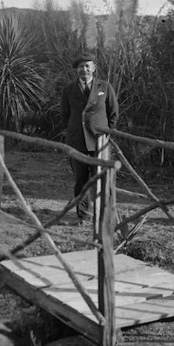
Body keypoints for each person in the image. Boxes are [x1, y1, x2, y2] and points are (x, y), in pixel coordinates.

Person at [61, 53, 119, 221]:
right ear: (76, 70)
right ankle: (84, 214)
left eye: (87, 66)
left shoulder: (105, 87)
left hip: (99, 141)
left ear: (94, 68)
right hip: (77, 141)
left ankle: (106, 214)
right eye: (80, 67)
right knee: (81, 179)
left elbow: (113, 113)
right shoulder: (69, 90)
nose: (84, 70)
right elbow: (65, 115)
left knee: (102, 178)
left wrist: (106, 133)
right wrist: (73, 131)